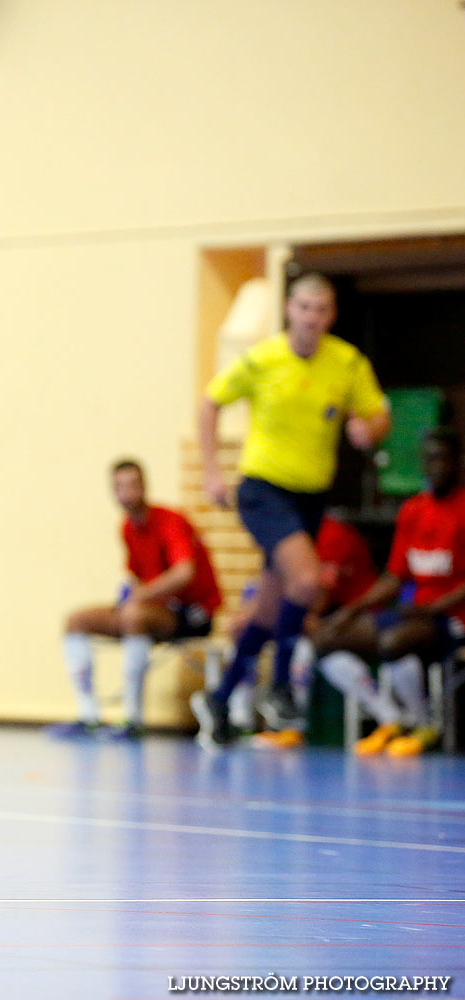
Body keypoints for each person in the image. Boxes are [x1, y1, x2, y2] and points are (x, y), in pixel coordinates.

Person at [192, 271, 391, 749]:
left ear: (331, 316)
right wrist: (213, 471)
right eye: (304, 308)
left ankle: (219, 701)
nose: (312, 318)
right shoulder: (262, 359)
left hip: (310, 496)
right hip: (263, 489)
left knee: (267, 609)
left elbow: (377, 413)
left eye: (321, 310)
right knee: (306, 582)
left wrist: (371, 430)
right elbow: (209, 403)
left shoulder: (346, 363)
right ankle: (281, 685)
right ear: (290, 310)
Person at [310, 428, 465, 756]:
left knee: (393, 642)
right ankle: (391, 717)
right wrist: (350, 611)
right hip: (414, 614)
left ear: (456, 464)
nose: (434, 467)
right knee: (324, 640)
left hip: (452, 618)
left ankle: (425, 724)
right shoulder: (413, 510)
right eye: (428, 460)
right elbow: (394, 577)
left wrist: (430, 608)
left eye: (441, 460)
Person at [49, 459, 222, 740]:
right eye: (119, 486)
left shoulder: (170, 521)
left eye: (132, 485)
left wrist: (141, 596)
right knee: (75, 620)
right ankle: (88, 715)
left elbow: (184, 573)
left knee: (133, 617)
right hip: (151, 610)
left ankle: (133, 718)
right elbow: (136, 578)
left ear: (144, 486)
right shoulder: (128, 528)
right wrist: (131, 596)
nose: (126, 492)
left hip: (192, 614)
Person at [246, 513, 378, 748]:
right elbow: (274, 587)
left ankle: (292, 726)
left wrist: (296, 622)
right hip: (320, 614)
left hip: (355, 615)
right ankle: (247, 723)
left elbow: (320, 595)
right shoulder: (285, 532)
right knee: (252, 643)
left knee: (300, 648)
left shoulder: (333, 533)